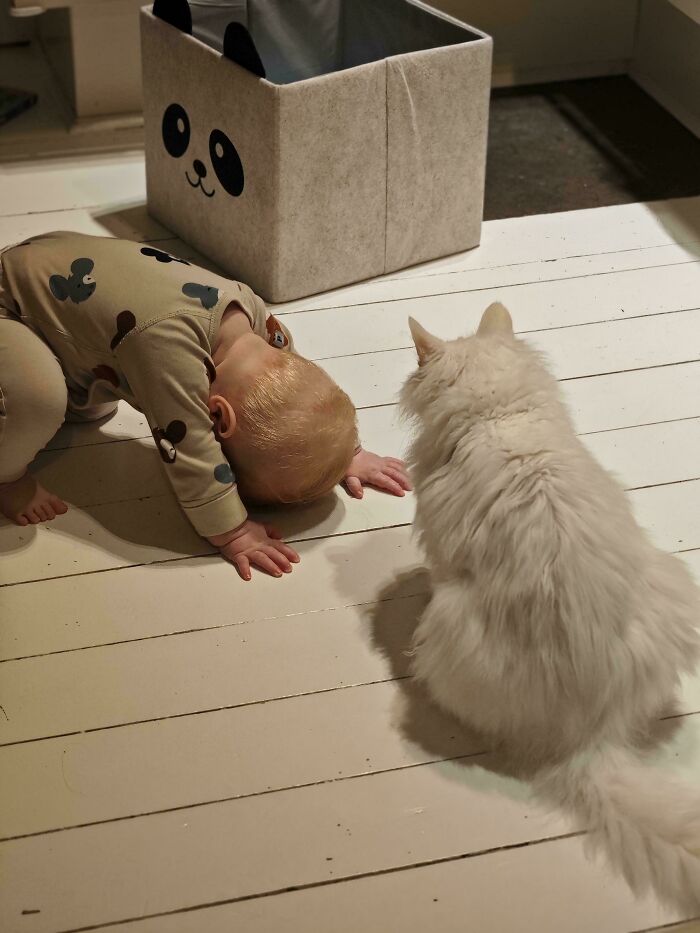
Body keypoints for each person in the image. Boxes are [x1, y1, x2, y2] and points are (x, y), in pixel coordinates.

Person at [0, 231, 410, 580]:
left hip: (52, 270)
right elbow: (189, 448)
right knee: (38, 400)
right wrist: (232, 530)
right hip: (9, 306)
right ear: (217, 416)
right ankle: (5, 475)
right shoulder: (168, 350)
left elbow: (303, 387)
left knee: (89, 403)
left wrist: (343, 452)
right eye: (232, 470)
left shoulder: (252, 316)